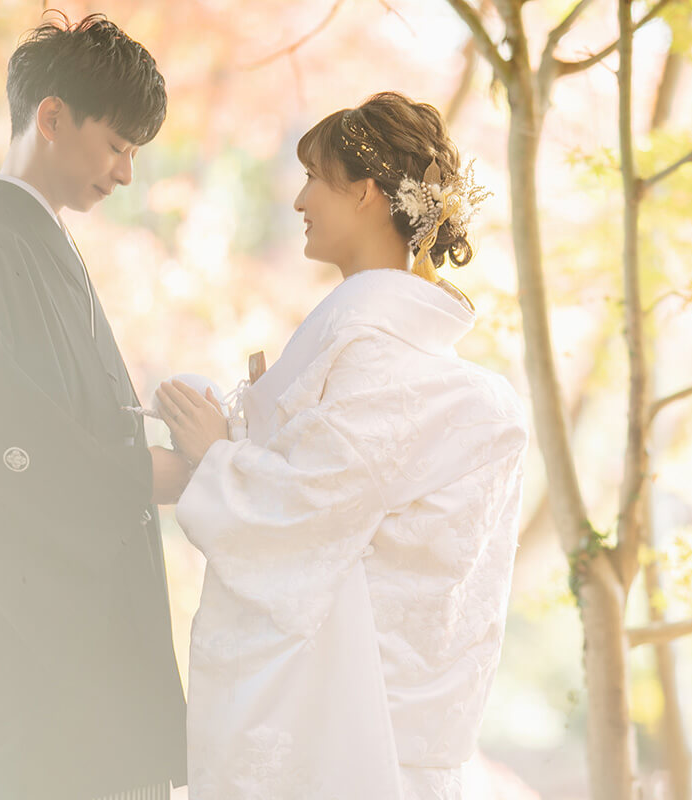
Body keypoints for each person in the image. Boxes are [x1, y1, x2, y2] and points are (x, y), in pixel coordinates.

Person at [155, 92, 528, 799]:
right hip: (386, 728)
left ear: (363, 194)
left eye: (313, 178)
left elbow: (313, 507)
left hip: (354, 734)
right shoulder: (378, 347)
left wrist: (219, 456)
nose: (297, 198)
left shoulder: (381, 358)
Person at [0, 14, 187, 800]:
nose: (125, 174)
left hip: (65, 658)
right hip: (23, 661)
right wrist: (160, 471)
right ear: (51, 117)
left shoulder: (36, 242)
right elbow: (13, 451)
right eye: (118, 145)